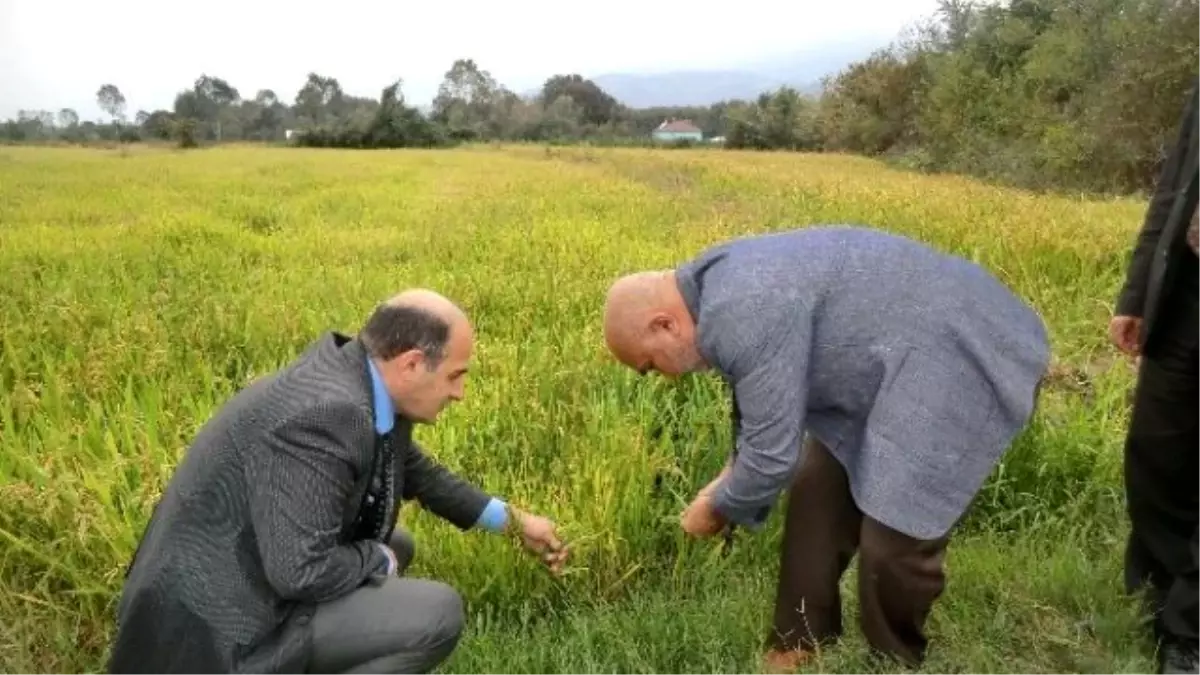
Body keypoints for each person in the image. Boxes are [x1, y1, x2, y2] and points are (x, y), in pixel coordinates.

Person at [602, 226, 1051, 671]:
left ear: (664, 324)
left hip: (956, 350)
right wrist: (731, 476)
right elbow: (761, 413)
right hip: (891, 357)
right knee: (816, 485)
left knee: (895, 535)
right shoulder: (713, 288)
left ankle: (893, 658)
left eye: (649, 365)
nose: (665, 376)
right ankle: (798, 638)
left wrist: (718, 507)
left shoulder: (740, 307)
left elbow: (771, 455)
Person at [109, 289, 569, 675]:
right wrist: (377, 557)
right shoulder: (328, 414)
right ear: (411, 364)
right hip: (214, 634)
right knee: (437, 614)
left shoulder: (363, 385)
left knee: (399, 545)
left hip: (246, 579)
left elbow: (420, 474)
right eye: (456, 375)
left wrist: (513, 521)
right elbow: (300, 572)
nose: (459, 393)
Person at [1110, 76, 1200, 675]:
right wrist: (1137, 291)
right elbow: (1173, 190)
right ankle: (1165, 582)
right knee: (1155, 453)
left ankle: (1187, 632)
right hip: (1188, 292)